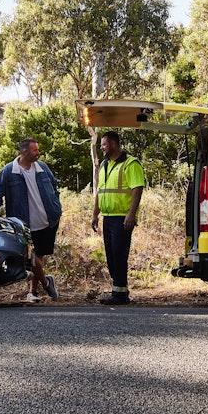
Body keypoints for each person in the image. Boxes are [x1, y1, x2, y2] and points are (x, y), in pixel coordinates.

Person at [0, 137, 63, 302]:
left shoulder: (42, 167)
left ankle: (33, 293)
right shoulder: (8, 172)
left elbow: (54, 186)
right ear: (25, 151)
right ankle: (46, 282)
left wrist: (57, 207)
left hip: (47, 221)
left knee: (39, 258)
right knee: (30, 259)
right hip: (23, 225)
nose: (38, 153)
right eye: (35, 150)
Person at [90, 130, 144, 305]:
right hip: (108, 217)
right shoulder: (105, 165)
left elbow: (137, 188)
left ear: (113, 144)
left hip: (122, 218)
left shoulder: (131, 163)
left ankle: (120, 294)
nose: (102, 148)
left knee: (119, 256)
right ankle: (120, 289)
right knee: (111, 257)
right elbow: (100, 191)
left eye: (104, 144)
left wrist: (131, 214)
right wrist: (95, 214)